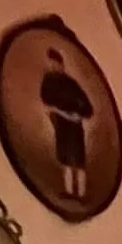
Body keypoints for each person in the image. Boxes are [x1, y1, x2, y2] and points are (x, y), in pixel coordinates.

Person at [39, 47, 94, 205]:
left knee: (78, 161)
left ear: (61, 64)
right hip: (62, 126)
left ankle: (81, 194)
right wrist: (60, 112)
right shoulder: (48, 83)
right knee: (65, 159)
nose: (53, 67)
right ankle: (70, 192)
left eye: (56, 64)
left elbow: (87, 106)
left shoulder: (71, 83)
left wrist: (79, 114)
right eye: (50, 64)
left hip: (75, 126)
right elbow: (47, 103)